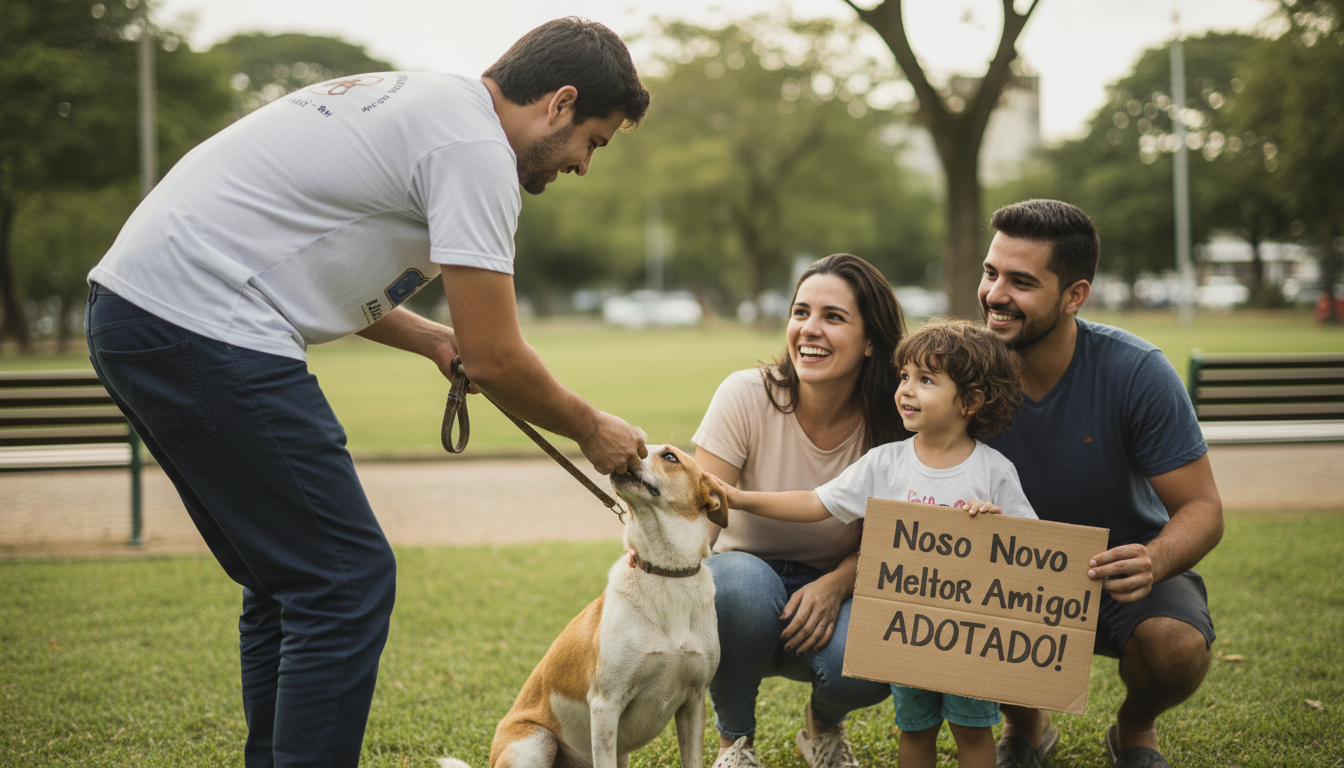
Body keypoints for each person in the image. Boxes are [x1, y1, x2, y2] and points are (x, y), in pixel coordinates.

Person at [84, 17, 650, 768]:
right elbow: (497, 358)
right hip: (202, 322)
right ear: (561, 102)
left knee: (288, 581)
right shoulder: (476, 150)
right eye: (593, 142)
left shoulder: (428, 105)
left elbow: (315, 266)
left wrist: (432, 339)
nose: (583, 165)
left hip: (136, 313)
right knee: (345, 580)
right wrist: (589, 427)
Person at [711, 318, 1038, 768]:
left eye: (926, 380)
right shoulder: (885, 463)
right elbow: (816, 502)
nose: (905, 390)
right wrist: (740, 498)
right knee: (915, 728)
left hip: (968, 637)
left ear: (971, 401)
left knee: (972, 729)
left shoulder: (994, 472)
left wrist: (995, 525)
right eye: (904, 376)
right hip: (906, 631)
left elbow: (1030, 551)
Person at [978, 200, 1223, 768]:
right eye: (991, 273)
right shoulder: (963, 368)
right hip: (1009, 573)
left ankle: (1135, 727)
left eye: (1021, 282)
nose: (995, 294)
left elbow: (1203, 508)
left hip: (1120, 571)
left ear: (1074, 295)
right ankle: (1024, 723)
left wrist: (1153, 560)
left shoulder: (1136, 371)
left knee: (1176, 646)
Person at [692, 254, 910, 768]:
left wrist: (836, 584)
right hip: (741, 588)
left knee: (879, 645)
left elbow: (893, 542)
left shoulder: (895, 419)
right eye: (800, 312)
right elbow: (699, 517)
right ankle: (735, 744)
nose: (809, 329)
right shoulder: (745, 394)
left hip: (838, 589)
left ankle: (824, 725)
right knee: (739, 586)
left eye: (833, 317)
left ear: (871, 340)